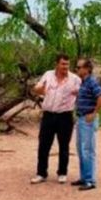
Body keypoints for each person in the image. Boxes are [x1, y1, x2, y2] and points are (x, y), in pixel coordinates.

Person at [31, 54, 81, 184]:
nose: (66, 67)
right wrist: (40, 89)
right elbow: (37, 89)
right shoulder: (48, 75)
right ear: (57, 64)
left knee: (64, 145)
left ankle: (62, 173)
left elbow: (82, 94)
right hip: (48, 115)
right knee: (43, 145)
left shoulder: (75, 79)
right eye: (63, 64)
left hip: (65, 116)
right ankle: (41, 173)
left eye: (67, 64)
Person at [72, 58, 101, 191]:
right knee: (81, 150)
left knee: (87, 150)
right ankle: (84, 177)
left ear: (87, 69)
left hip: (88, 120)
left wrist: (94, 113)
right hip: (81, 119)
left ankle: (90, 181)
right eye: (77, 67)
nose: (77, 70)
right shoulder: (83, 83)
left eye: (79, 67)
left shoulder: (92, 81)